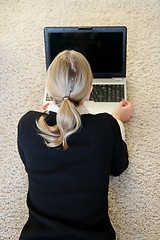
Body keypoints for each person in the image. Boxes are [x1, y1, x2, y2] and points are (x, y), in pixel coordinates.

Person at [17, 50, 133, 240]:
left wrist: (39, 118)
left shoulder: (27, 124)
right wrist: (117, 122)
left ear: (48, 88)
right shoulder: (106, 126)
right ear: (90, 89)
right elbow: (119, 167)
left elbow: (28, 164)